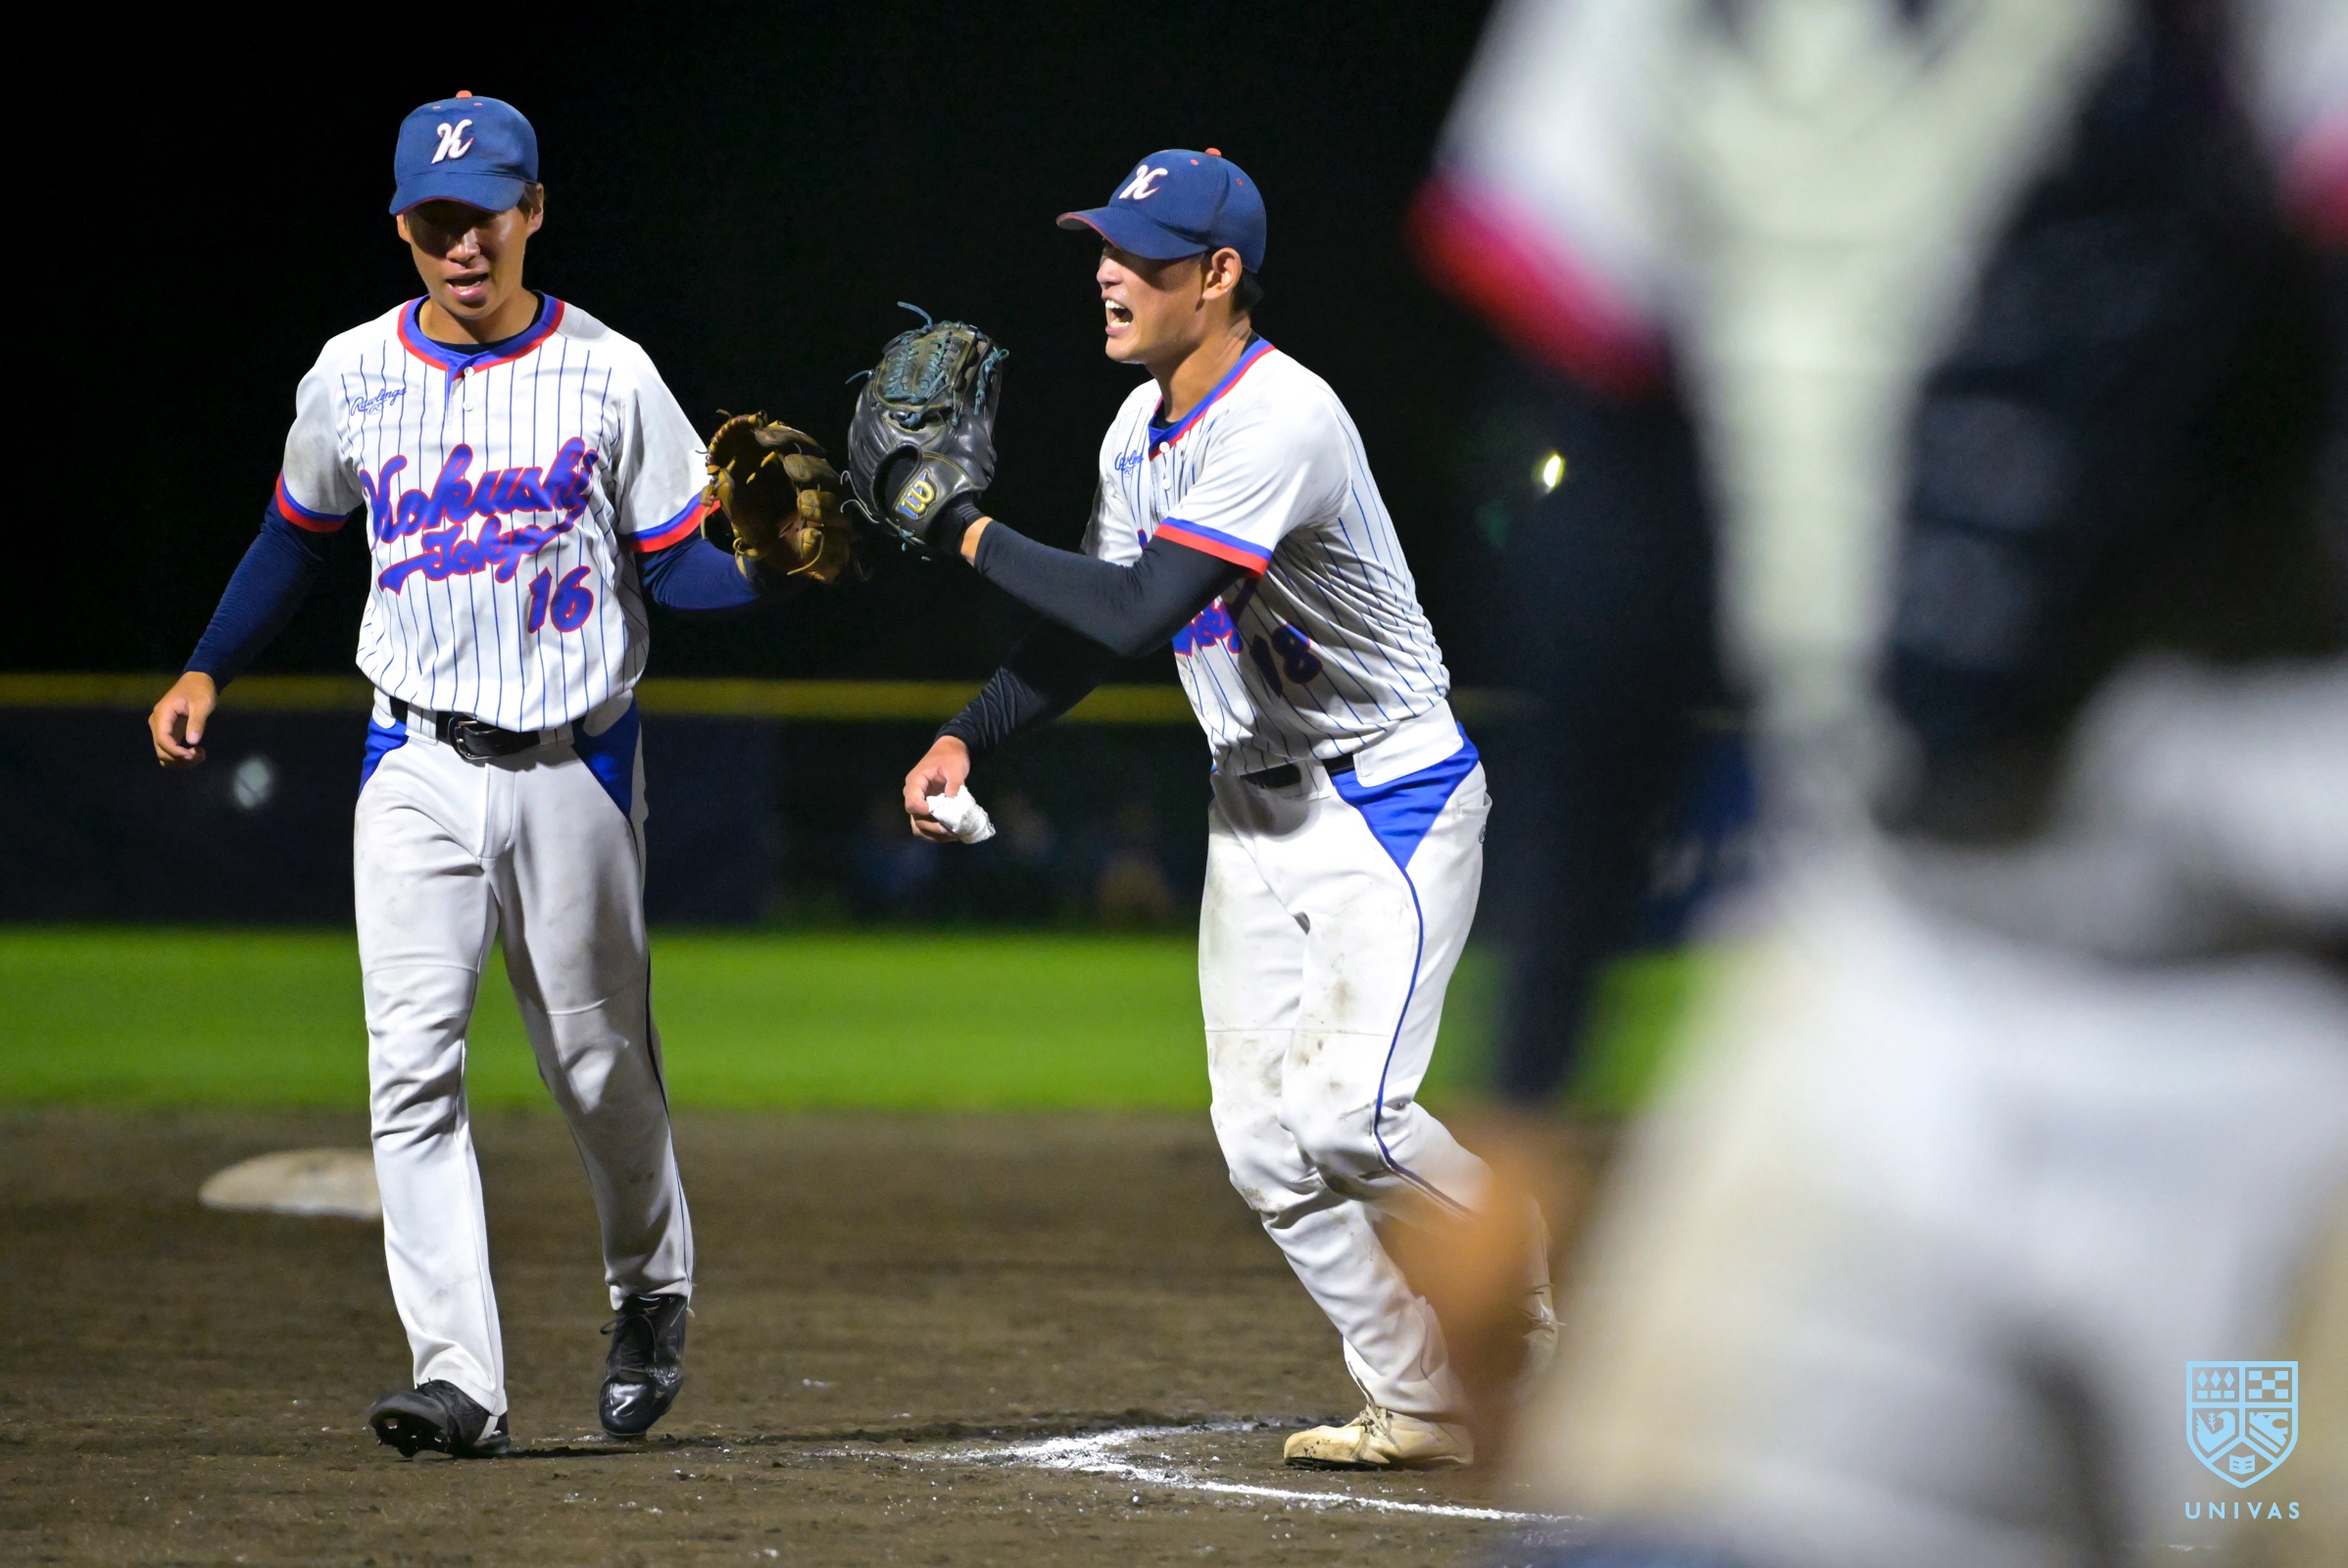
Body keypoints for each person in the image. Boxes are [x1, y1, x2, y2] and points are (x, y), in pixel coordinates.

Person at [145, 91, 834, 1458]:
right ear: (404, 227)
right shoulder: (351, 373)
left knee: (596, 1065)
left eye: (488, 216)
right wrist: (208, 664)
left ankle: (650, 1287)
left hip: (576, 765)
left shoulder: (609, 372)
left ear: (534, 213)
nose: (465, 245)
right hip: (410, 758)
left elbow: (676, 568)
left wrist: (773, 570)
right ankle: (459, 1379)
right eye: (438, 221)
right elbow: (295, 531)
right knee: (410, 1071)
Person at [891, 149, 1553, 1471]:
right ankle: (1419, 1395)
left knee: (1349, 1117)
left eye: (1139, 255)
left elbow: (1146, 611)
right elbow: (1092, 627)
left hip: (1387, 795)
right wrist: (970, 733)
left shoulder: (1280, 418)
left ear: (1218, 274)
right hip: (1249, 811)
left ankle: (1533, 1307)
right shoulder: (1132, 435)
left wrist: (960, 527)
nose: (1107, 273)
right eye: (1104, 248)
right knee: (1261, 1144)